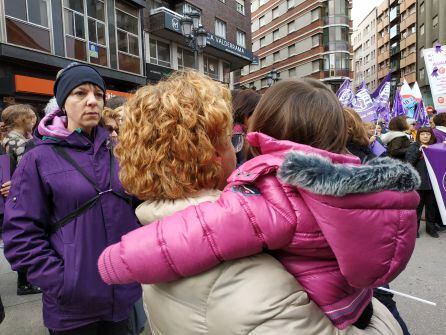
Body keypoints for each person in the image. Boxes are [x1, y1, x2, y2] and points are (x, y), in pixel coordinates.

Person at [99, 77, 420, 333]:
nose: (240, 150)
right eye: (232, 139)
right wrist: (380, 314)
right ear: (211, 153)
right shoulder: (246, 271)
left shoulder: (158, 233)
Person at [2, 63, 141, 334]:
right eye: (80, 93)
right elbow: (20, 234)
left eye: (98, 95)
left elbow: (136, 212)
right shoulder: (37, 159)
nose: (92, 101)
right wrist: (63, 282)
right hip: (72, 310)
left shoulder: (119, 154)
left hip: (121, 298)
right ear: (63, 103)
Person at [1, 104, 40, 296]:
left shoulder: (15, 139)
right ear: (20, 120)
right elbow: (26, 171)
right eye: (31, 118)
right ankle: (24, 283)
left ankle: (25, 280)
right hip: (20, 196)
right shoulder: (18, 142)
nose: (34, 121)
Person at [405, 127, 439, 238]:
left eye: (428, 134)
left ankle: (431, 228)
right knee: (417, 209)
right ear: (418, 135)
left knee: (431, 208)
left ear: (431, 136)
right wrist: (420, 150)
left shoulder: (435, 147)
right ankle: (414, 230)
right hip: (419, 184)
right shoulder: (413, 147)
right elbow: (409, 163)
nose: (425, 136)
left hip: (433, 184)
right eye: (423, 134)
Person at [232, 89, 261, 166]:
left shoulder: (234, 130)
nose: (259, 118)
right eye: (256, 113)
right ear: (246, 113)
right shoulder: (238, 134)